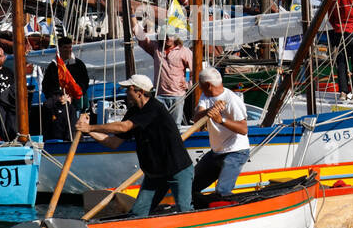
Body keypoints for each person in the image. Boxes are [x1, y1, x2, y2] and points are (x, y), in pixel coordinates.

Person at [76, 74, 194, 217]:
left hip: (177, 168)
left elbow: (124, 127)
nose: (126, 93)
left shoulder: (154, 107)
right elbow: (113, 142)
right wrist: (87, 130)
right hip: (155, 173)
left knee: (185, 211)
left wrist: (90, 128)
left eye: (128, 90)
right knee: (138, 213)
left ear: (139, 92)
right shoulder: (133, 112)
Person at [190, 66, 250, 207]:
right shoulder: (206, 96)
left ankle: (226, 210)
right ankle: (199, 208)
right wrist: (209, 111)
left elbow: (243, 129)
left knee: (222, 191)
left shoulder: (232, 100)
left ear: (208, 85)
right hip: (217, 152)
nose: (199, 87)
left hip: (236, 151)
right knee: (190, 186)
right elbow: (196, 118)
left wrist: (221, 120)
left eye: (200, 84)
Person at [40, 37, 91, 141]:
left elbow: (84, 83)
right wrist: (58, 98)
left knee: (72, 117)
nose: (68, 50)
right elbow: (46, 87)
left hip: (74, 101)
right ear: (59, 48)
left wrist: (72, 96)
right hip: (58, 102)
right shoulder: (53, 66)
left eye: (69, 47)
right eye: (65, 48)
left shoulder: (79, 65)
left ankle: (73, 138)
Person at [137, 32, 193, 122]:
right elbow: (141, 39)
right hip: (159, 95)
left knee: (175, 124)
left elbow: (190, 70)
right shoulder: (156, 49)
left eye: (170, 35)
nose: (167, 38)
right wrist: (133, 18)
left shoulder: (184, 51)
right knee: (160, 124)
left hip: (177, 95)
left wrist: (186, 81)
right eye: (164, 36)